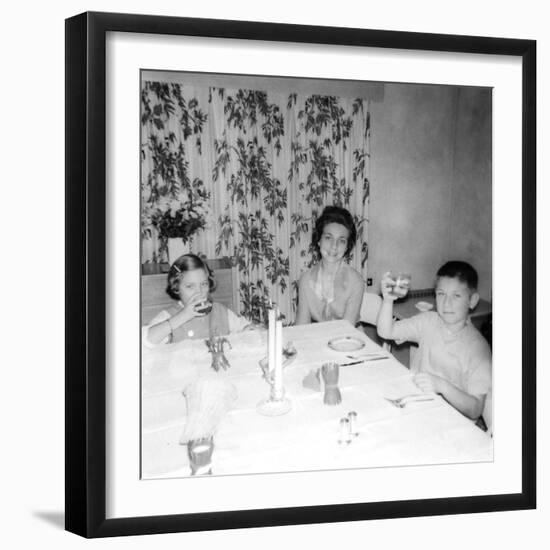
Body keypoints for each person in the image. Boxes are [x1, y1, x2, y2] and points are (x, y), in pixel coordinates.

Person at [377, 260, 492, 422]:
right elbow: (386, 331)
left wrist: (441, 386)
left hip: (451, 424)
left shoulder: (478, 348)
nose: (447, 303)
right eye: (441, 294)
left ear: (472, 301)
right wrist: (388, 300)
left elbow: (475, 409)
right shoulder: (428, 321)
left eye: (456, 296)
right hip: (416, 407)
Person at [145, 254, 250, 346]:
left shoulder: (221, 312)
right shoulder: (169, 315)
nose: (199, 292)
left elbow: (246, 330)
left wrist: (249, 331)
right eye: (190, 286)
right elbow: (146, 342)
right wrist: (183, 316)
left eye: (204, 284)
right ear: (176, 288)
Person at [295, 205, 365, 325]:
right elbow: (302, 326)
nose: (334, 246)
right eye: (328, 238)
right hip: (319, 337)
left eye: (341, 240)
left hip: (349, 339)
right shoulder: (305, 280)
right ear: (318, 240)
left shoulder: (356, 282)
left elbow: (346, 330)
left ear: (347, 246)